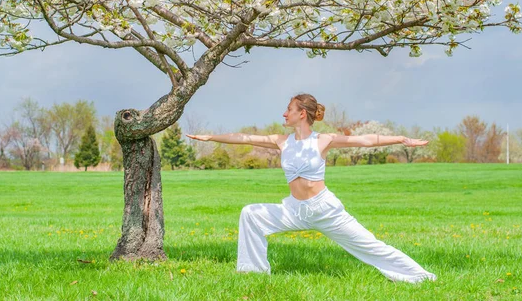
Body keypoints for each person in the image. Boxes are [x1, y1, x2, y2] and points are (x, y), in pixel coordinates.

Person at [185, 93, 437, 283]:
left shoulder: (323, 140)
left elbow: (367, 139)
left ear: (301, 114)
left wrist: (401, 139)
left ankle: (421, 277)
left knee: (370, 245)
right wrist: (210, 137)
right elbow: (244, 138)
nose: (284, 114)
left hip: (324, 210)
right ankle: (253, 272)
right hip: (294, 210)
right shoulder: (281, 141)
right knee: (251, 214)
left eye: (288, 109)